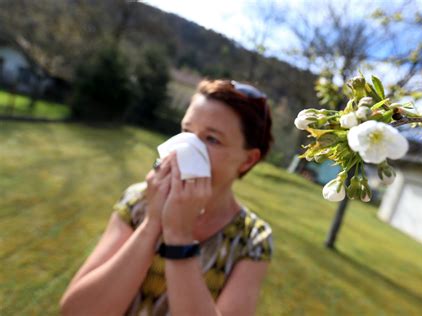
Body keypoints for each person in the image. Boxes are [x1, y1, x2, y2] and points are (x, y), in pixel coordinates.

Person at [60, 79, 275, 315]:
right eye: (186, 131)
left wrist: (179, 236)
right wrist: (153, 222)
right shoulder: (139, 200)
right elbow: (76, 311)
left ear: (248, 160)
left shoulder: (252, 240)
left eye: (212, 139)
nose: (186, 148)